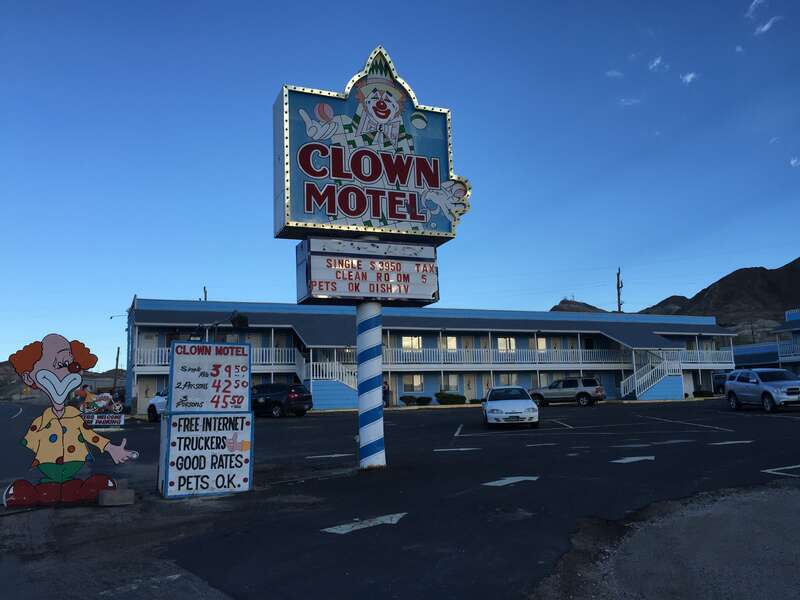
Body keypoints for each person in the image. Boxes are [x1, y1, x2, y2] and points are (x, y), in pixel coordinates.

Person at [4, 334, 137, 507]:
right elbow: (32, 440)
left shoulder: (75, 416)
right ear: (30, 378)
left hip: (74, 463)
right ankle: (34, 492)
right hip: (47, 465)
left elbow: (90, 436)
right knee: (46, 490)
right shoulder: (42, 420)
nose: (63, 373)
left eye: (70, 366)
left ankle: (79, 490)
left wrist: (111, 448)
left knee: (79, 489)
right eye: (57, 366)